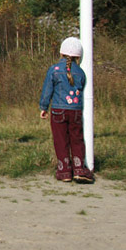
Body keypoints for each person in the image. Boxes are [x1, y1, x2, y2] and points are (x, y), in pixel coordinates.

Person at [39, 37, 94, 183]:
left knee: (60, 140)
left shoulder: (54, 70)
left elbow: (47, 90)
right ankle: (79, 168)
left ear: (61, 53)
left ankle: (64, 171)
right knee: (76, 139)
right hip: (75, 111)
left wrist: (43, 107)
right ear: (78, 56)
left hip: (58, 110)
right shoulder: (81, 73)